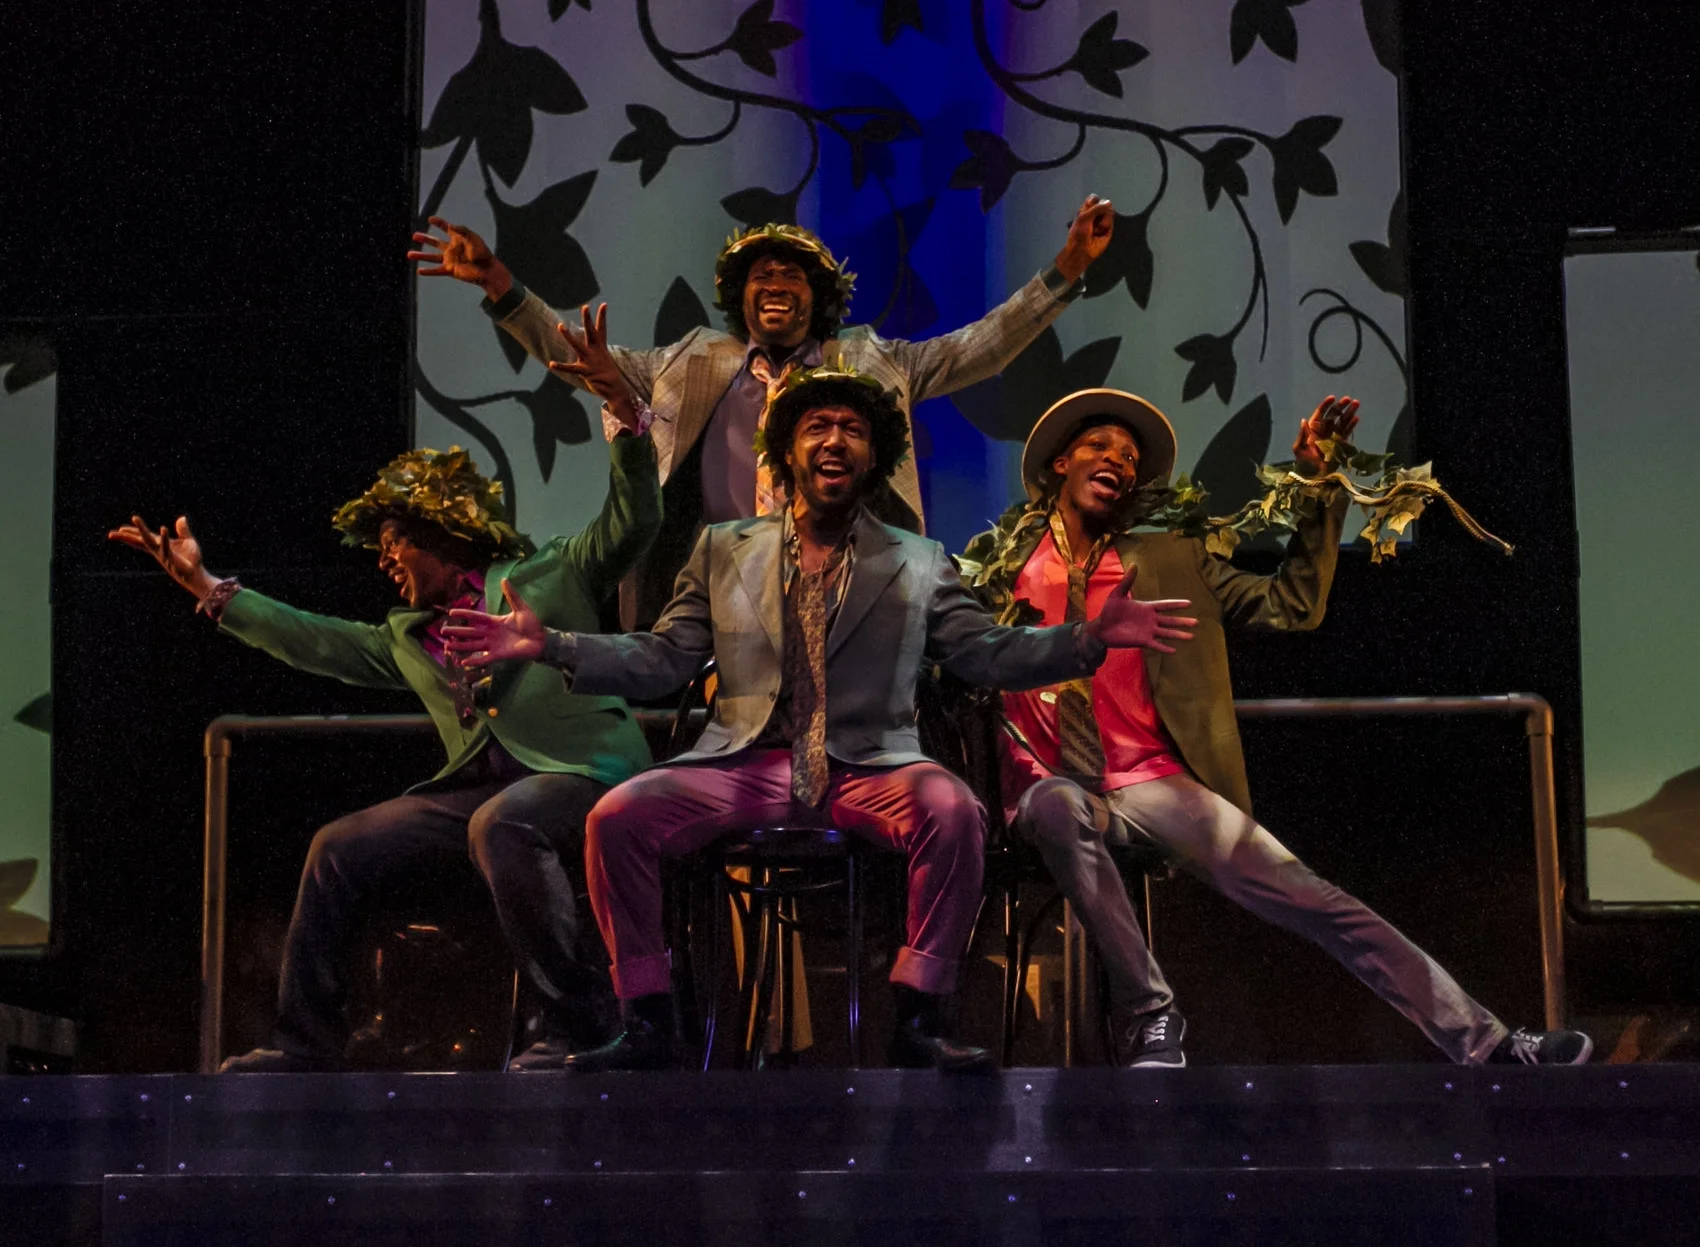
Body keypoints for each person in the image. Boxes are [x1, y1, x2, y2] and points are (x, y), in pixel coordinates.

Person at [440, 368, 1196, 1072]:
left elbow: (989, 652)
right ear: (787, 453)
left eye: (853, 430)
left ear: (872, 457)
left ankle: (919, 1018)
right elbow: (664, 656)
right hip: (744, 763)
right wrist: (551, 645)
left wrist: (1090, 637)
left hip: (871, 762)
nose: (835, 439)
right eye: (818, 426)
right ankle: (646, 1020)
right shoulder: (721, 549)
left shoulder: (920, 559)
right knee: (615, 818)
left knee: (955, 809)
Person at [958, 387, 1594, 1068]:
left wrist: (1320, 484)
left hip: (1152, 782)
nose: (1116, 458)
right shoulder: (998, 566)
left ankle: (1488, 1042)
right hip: (1044, 784)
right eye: (1098, 445)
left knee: (1315, 898)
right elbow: (954, 658)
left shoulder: (1171, 557)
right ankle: (1152, 1014)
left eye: (1129, 455)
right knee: (1056, 805)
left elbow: (1292, 605)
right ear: (1058, 463)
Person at [110, 307, 664, 1073]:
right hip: (478, 793)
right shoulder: (408, 635)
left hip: (581, 773)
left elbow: (634, 520)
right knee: (338, 845)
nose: (384, 560)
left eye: (394, 540)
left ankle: (585, 1025)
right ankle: (305, 1042)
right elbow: (316, 639)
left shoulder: (547, 573)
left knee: (501, 824)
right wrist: (209, 589)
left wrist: (627, 417)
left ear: (443, 529)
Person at [409, 199, 1117, 628]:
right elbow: (574, 356)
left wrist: (1067, 270)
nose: (775, 284)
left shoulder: (868, 360)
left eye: (792, 276)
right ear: (741, 300)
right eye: (760, 277)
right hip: (716, 590)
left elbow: (979, 350)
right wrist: (500, 285)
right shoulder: (689, 361)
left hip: (848, 585)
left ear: (819, 298)